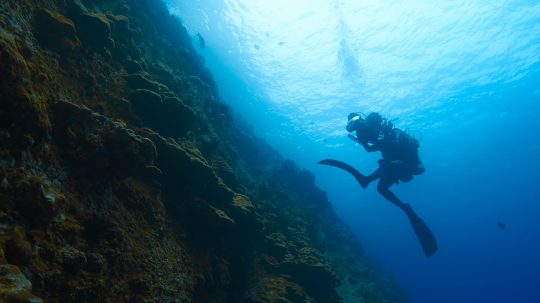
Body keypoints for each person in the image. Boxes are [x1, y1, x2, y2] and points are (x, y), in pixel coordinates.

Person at [345, 112, 425, 210]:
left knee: (389, 164)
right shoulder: (378, 138)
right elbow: (370, 149)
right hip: (394, 166)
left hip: (409, 164)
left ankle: (367, 179)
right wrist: (364, 143)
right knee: (381, 189)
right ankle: (405, 207)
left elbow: (396, 142)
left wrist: (382, 142)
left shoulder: (394, 133)